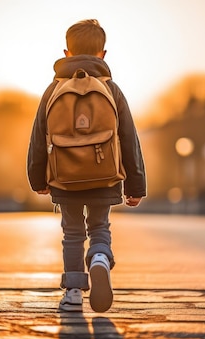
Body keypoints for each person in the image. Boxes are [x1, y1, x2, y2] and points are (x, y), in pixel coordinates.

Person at [27, 19, 146, 312]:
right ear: (103, 55)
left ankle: (73, 293)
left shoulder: (52, 90)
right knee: (99, 228)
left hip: (64, 177)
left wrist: (37, 178)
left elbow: (38, 138)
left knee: (72, 233)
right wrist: (136, 184)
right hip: (104, 176)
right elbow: (129, 138)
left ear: (67, 53)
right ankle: (100, 258)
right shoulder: (112, 89)